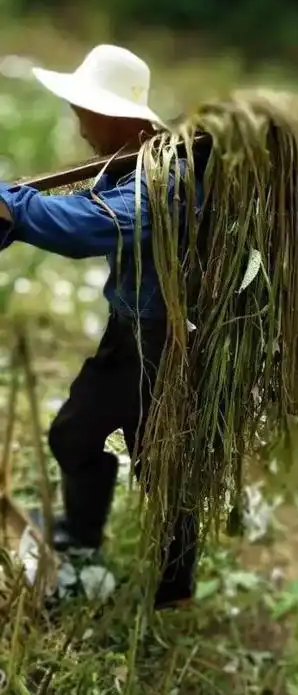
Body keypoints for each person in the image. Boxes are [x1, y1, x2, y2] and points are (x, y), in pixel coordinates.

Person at [0, 44, 203, 610]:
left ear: (113, 115)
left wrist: (17, 212)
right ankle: (83, 533)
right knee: (77, 433)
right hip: (130, 332)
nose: (80, 126)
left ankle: (172, 590)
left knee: (161, 460)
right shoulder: (132, 166)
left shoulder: (167, 180)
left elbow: (95, 224)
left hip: (168, 344)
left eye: (82, 111)